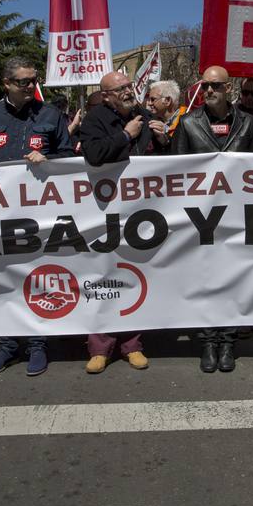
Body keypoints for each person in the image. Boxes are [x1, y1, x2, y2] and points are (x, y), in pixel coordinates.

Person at [0, 58, 75, 377]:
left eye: (33, 80)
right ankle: (6, 344)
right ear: (6, 84)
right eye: (23, 82)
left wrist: (50, 158)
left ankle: (37, 344)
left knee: (36, 277)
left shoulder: (50, 114)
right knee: (3, 278)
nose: (30, 86)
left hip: (39, 215)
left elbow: (69, 155)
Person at [79, 69, 169, 374]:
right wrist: (125, 135)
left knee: (134, 275)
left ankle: (132, 344)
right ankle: (100, 348)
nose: (129, 91)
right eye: (121, 89)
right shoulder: (94, 120)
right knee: (103, 275)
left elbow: (163, 160)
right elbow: (93, 154)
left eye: (130, 86)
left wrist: (164, 139)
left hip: (140, 210)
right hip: (104, 210)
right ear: (106, 97)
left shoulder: (144, 114)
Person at [172, 65, 253, 373]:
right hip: (201, 219)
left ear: (229, 90)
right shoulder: (187, 123)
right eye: (206, 86)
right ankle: (209, 341)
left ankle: (228, 342)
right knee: (206, 281)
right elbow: (175, 173)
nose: (209, 91)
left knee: (233, 282)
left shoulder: (249, 123)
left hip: (237, 217)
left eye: (216, 86)